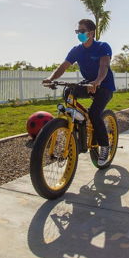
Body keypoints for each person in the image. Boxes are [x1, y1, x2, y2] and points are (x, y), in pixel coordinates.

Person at [42, 19, 116, 165]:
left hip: (105, 85)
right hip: (89, 84)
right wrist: (51, 78)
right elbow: (63, 66)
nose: (79, 34)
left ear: (91, 33)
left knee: (95, 113)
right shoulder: (77, 50)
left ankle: (105, 147)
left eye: (82, 31)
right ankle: (77, 123)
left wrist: (97, 81)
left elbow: (104, 66)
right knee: (69, 91)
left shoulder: (102, 46)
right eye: (77, 31)